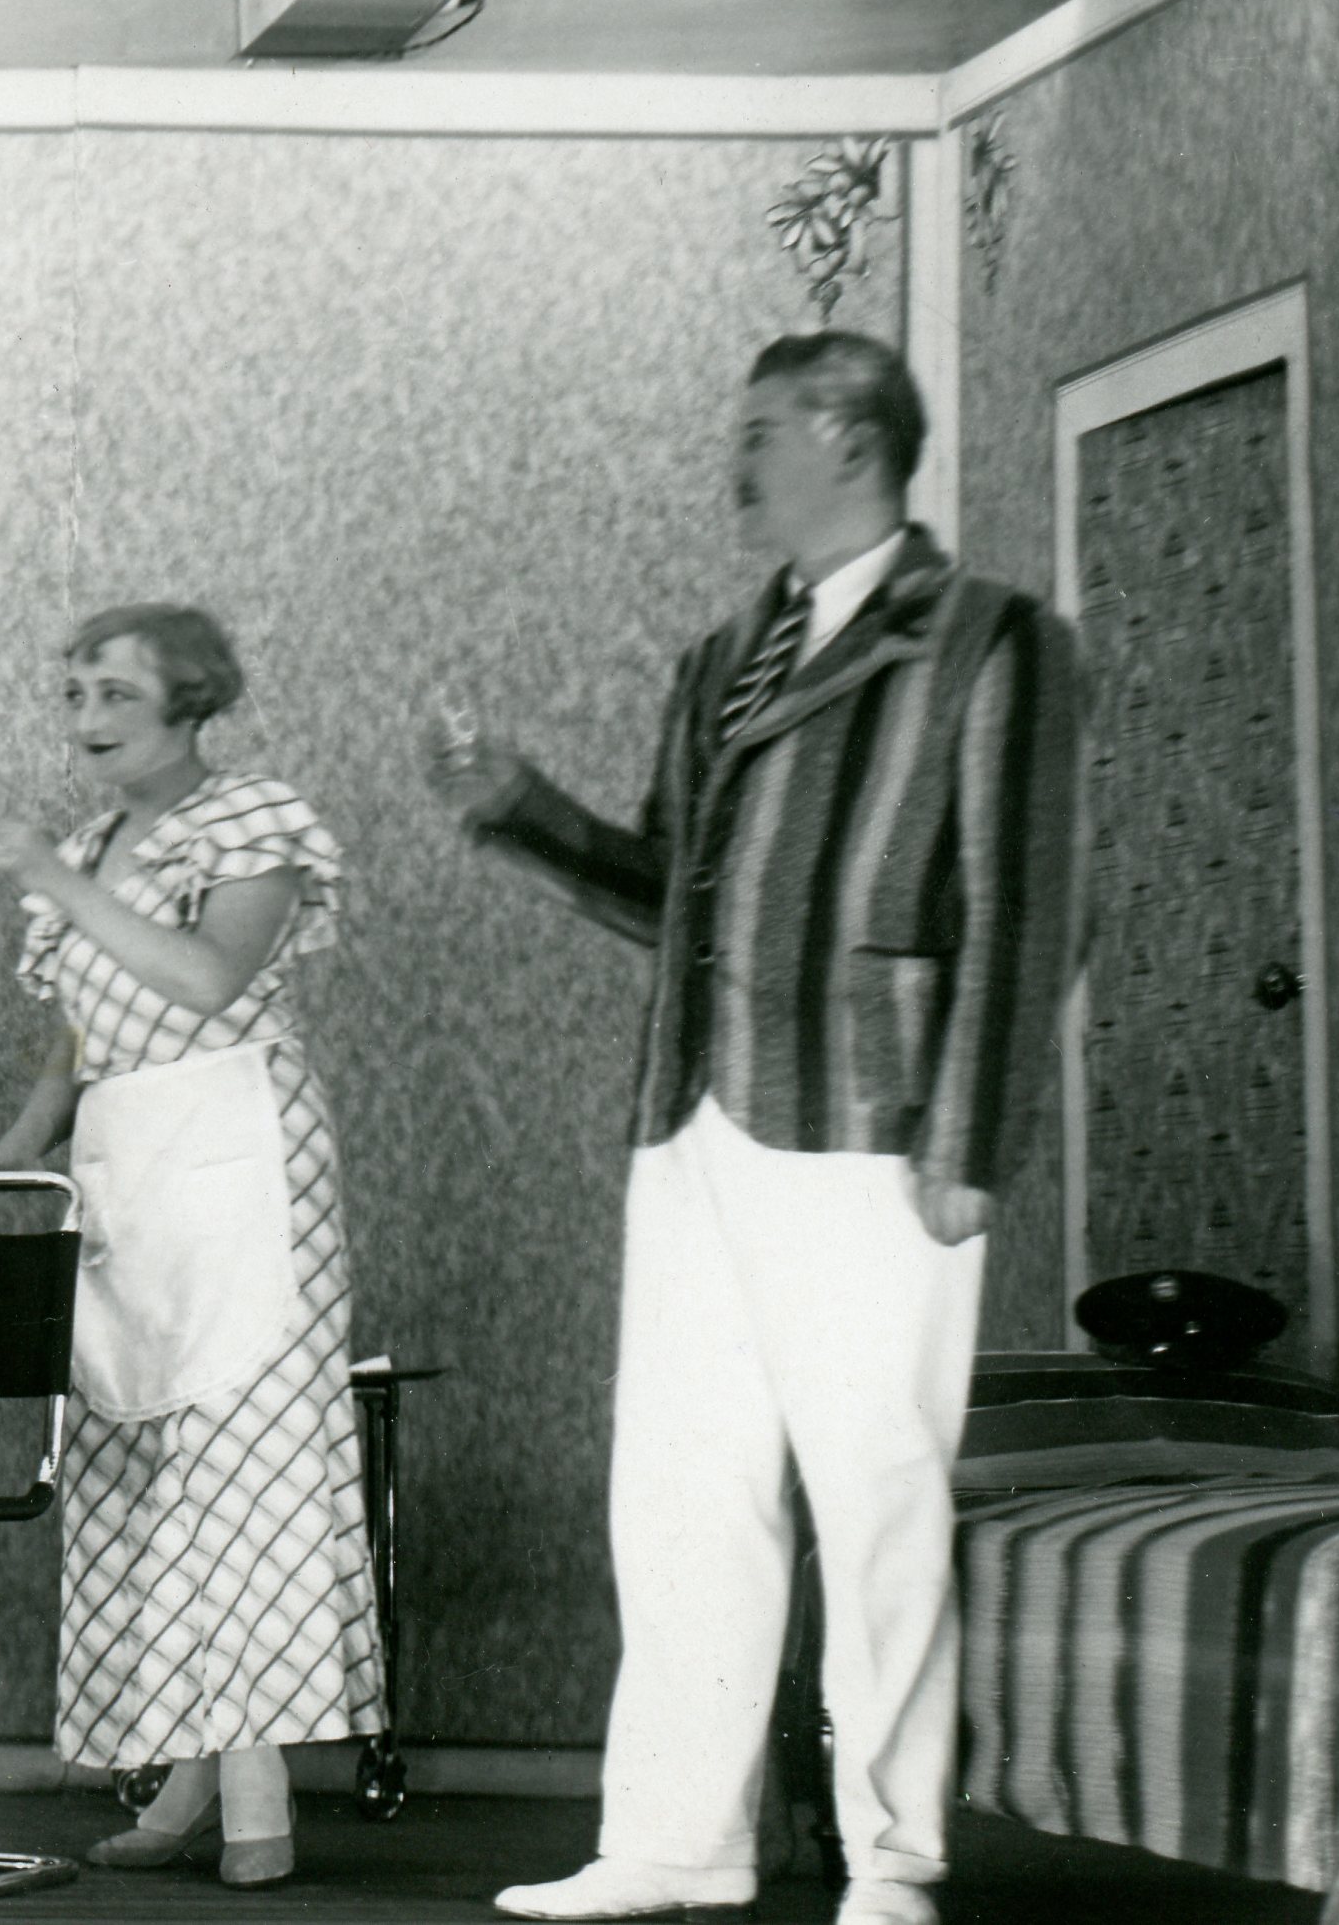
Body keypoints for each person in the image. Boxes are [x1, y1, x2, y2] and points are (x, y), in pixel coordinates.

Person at [434, 333, 1077, 1925]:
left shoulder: (993, 638)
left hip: (874, 1129)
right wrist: (522, 809)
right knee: (677, 1493)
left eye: (759, 432)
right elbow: (677, 899)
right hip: (692, 1124)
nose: (734, 463)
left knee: (875, 1494)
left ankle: (894, 1858)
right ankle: (674, 1843)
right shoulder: (723, 656)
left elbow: (1030, 905)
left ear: (852, 437)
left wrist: (971, 1143)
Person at [0, 607, 381, 1891]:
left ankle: (256, 1808)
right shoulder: (88, 848)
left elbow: (203, 980)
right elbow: (80, 1040)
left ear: (190, 703)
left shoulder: (249, 818)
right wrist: (12, 1145)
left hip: (240, 1153)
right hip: (128, 1170)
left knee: (242, 1467)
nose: (85, 716)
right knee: (147, 1475)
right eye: (73, 691)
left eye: (115, 692)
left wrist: (43, 871)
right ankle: (190, 1778)